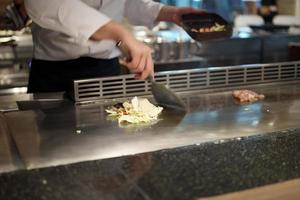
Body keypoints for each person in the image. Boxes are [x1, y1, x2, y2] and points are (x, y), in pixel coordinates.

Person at [20, 0, 203, 93]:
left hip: (106, 70)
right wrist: (119, 32)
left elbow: (126, 3)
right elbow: (40, 4)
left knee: (112, 142)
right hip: (55, 72)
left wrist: (169, 13)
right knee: (55, 155)